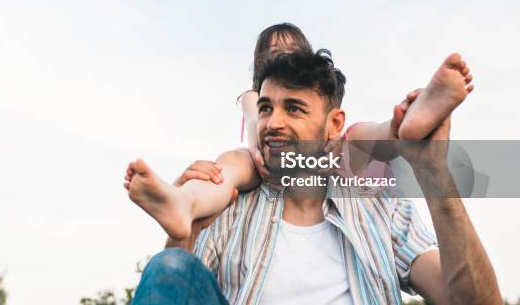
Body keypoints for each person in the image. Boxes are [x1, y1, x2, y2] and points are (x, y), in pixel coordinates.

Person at [130, 50, 501, 304]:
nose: (273, 123)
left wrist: (433, 172)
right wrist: (185, 232)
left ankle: (409, 121)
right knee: (169, 265)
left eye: (293, 109)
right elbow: (176, 288)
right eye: (265, 108)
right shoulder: (231, 203)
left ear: (333, 124)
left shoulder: (378, 206)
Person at [123, 24, 474, 240]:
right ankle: (183, 202)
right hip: (269, 166)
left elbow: (330, 123)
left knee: (361, 135)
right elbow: (257, 141)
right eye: (271, 58)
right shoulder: (254, 98)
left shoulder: (319, 89)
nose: (281, 62)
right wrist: (262, 152)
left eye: (290, 54)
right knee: (228, 165)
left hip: (326, 154)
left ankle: (404, 125)